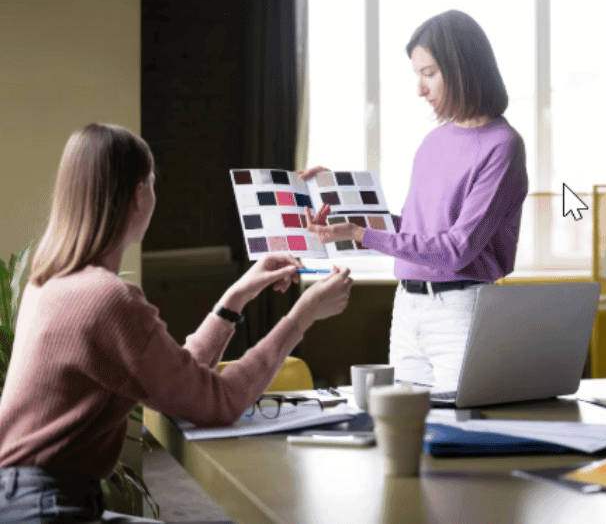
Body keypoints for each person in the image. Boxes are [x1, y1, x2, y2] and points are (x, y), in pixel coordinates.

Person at [0, 123, 353, 523]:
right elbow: (218, 403)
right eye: (151, 181)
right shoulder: (107, 299)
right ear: (138, 195)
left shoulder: (49, 284)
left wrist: (233, 299)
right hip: (47, 509)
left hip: (19, 499)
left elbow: (178, 379)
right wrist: (302, 315)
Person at [300, 10, 528, 388]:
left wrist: (360, 233)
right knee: (408, 433)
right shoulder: (433, 142)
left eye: (428, 74)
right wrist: (334, 198)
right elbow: (413, 231)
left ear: (463, 68)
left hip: (461, 311)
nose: (420, 90)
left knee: (460, 436)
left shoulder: (502, 146)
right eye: (417, 75)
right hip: (407, 307)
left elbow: (456, 250)